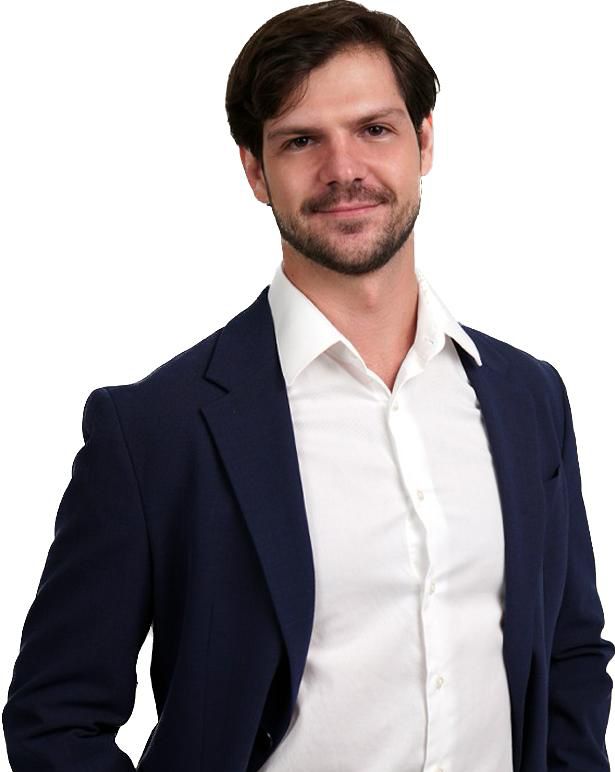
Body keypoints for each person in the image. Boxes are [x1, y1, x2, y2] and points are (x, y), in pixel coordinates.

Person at [3, 1, 614, 770]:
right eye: (300, 140)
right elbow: (56, 720)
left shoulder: (527, 397)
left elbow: (566, 651)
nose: (343, 170)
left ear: (424, 141)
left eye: (374, 129)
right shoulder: (155, 430)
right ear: (255, 171)